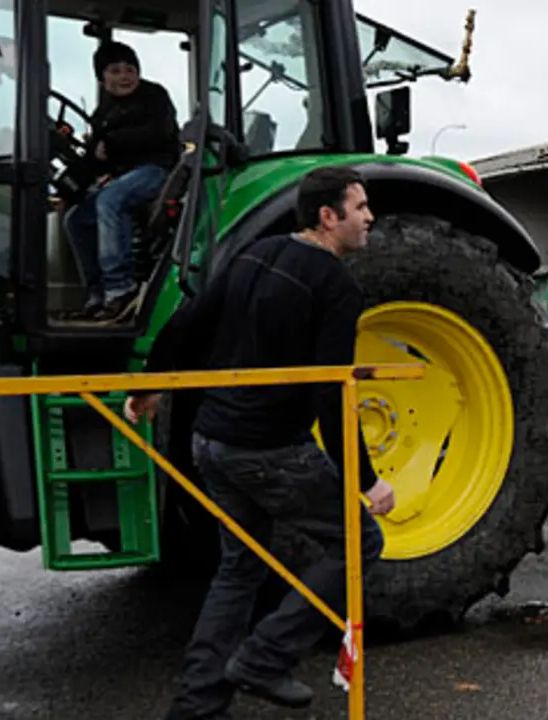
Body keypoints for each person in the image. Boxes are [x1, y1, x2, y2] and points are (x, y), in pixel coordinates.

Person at [123, 166, 397, 720]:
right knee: (359, 542)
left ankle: (198, 704)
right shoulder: (335, 284)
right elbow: (329, 393)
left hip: (212, 443)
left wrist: (148, 386)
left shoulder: (255, 252)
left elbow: (188, 321)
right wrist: (365, 479)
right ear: (328, 216)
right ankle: (266, 659)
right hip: (268, 450)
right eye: (360, 207)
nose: (370, 218)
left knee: (241, 566)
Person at [63, 41, 180, 323]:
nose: (125, 77)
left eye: (130, 69)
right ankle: (97, 294)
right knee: (76, 219)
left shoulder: (154, 96)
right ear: (101, 78)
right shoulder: (102, 112)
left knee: (110, 200)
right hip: (125, 176)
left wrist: (111, 143)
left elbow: (159, 133)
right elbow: (96, 158)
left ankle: (121, 288)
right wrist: (70, 187)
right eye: (115, 71)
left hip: (157, 170)